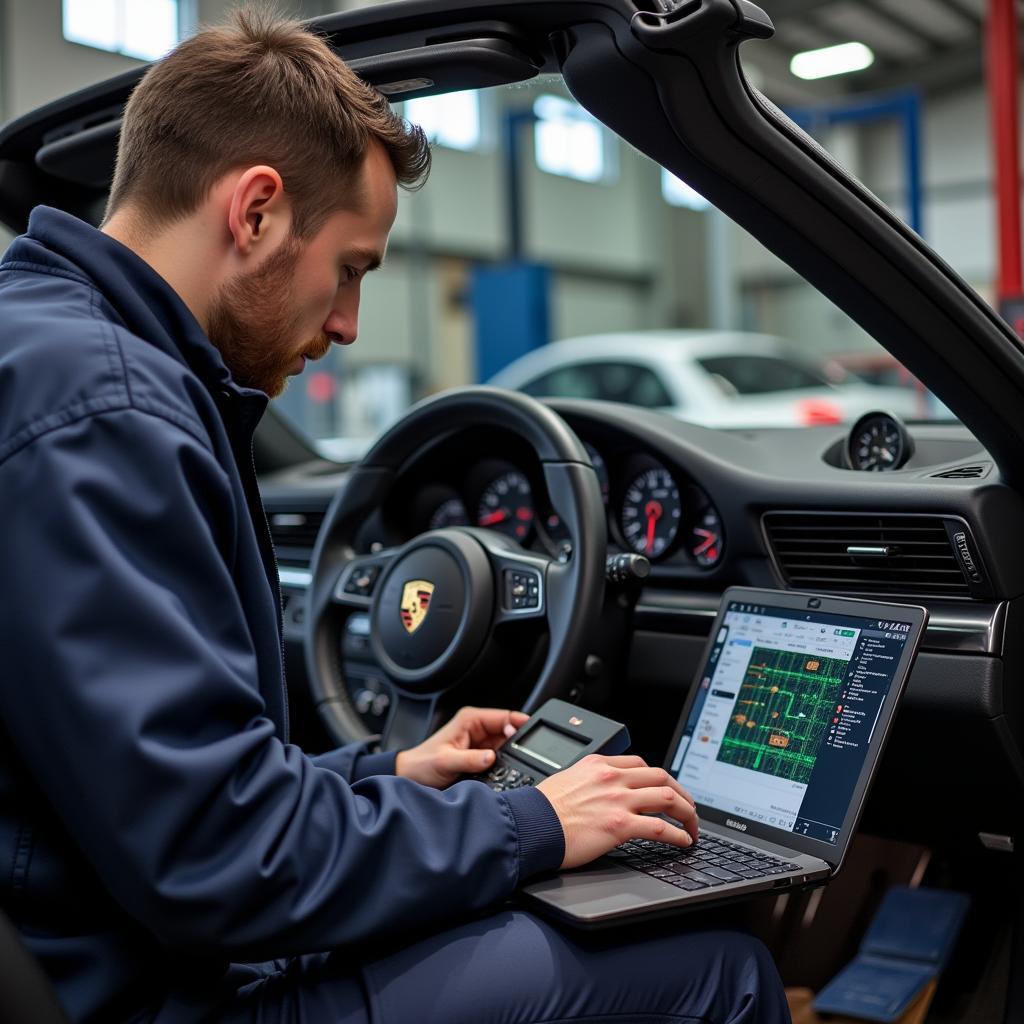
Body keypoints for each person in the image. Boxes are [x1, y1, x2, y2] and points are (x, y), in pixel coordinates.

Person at [0, 10, 790, 1023]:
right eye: (353, 267)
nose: (347, 324)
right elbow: (218, 858)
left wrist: (393, 775)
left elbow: (162, 789)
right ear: (254, 212)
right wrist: (530, 825)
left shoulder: (49, 354)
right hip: (163, 991)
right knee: (718, 966)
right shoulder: (106, 411)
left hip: (106, 944)